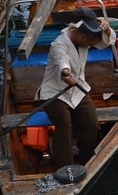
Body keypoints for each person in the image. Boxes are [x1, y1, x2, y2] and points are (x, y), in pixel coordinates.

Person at [38, 10, 113, 171]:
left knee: (91, 124)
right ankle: (65, 168)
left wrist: (106, 29)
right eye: (90, 42)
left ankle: (86, 160)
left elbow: (106, 42)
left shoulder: (83, 38)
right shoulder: (59, 44)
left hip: (78, 90)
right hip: (54, 93)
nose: (91, 46)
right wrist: (66, 74)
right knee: (64, 122)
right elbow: (61, 61)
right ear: (84, 37)